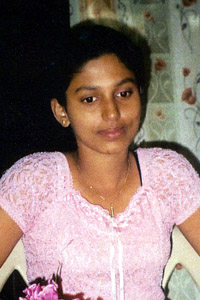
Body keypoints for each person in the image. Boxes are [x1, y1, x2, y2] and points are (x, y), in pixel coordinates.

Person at [0, 21, 200, 300]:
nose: (112, 113)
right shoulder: (36, 180)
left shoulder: (167, 173)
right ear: (61, 111)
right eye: (90, 98)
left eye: (124, 93)